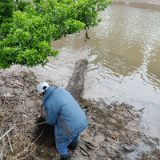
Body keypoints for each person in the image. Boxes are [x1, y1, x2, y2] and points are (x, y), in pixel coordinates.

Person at [37, 82, 89, 160]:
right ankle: (72, 146)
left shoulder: (49, 103)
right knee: (76, 132)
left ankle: (66, 157)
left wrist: (47, 117)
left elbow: (50, 121)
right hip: (82, 120)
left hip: (70, 126)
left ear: (42, 94)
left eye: (40, 95)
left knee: (60, 145)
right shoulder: (62, 91)